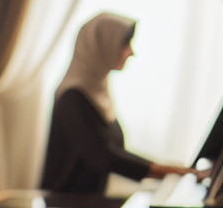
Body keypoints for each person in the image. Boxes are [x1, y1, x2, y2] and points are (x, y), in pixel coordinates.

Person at [41, 13, 205, 194]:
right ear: (101, 45)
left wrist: (171, 170)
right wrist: (171, 171)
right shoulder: (72, 98)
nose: (131, 52)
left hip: (86, 206)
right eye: (124, 43)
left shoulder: (97, 94)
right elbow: (105, 157)